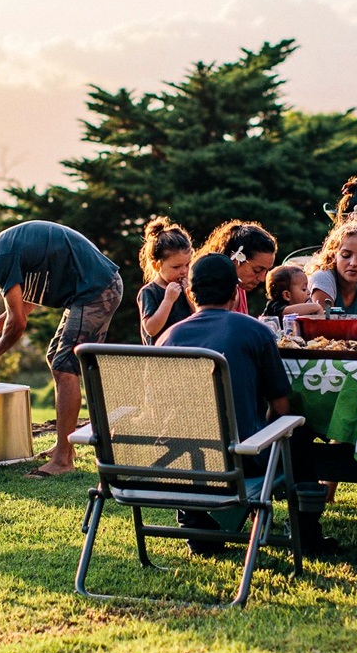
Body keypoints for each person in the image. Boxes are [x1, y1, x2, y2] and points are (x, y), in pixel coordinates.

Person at [158, 253, 336, 554]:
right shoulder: (254, 331)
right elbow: (280, 408)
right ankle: (307, 533)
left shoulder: (168, 337)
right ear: (234, 293)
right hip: (241, 460)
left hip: (182, 464)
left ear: (190, 294)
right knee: (299, 432)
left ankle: (196, 523)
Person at [0, 220, 123, 478]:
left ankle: (63, 460)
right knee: (56, 359)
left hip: (97, 291)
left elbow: (18, 323)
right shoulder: (2, 248)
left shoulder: (0, 259)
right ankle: (64, 446)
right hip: (92, 291)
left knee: (64, 366)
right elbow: (30, 299)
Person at [198, 220, 277, 315]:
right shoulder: (202, 293)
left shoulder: (239, 286)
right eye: (257, 270)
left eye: (266, 271)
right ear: (235, 259)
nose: (262, 279)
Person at [136, 216, 194, 345]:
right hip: (161, 354)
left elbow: (200, 317)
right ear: (156, 266)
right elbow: (151, 329)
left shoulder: (188, 288)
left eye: (187, 264)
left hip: (186, 352)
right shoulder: (149, 292)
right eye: (176, 267)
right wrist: (168, 301)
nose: (184, 271)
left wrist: (190, 297)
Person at [308, 221, 357, 314]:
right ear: (333, 255)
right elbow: (327, 320)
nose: (353, 263)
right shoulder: (322, 278)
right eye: (346, 255)